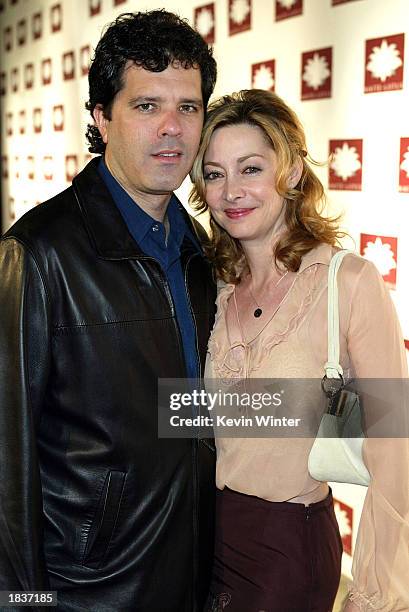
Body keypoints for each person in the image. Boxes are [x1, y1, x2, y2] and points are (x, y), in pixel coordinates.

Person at [0, 10, 217, 612]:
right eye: (147, 106)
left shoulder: (199, 249)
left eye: (189, 107)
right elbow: (7, 468)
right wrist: (26, 604)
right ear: (102, 116)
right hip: (88, 593)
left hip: (190, 575)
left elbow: (186, 413)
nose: (172, 129)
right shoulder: (37, 256)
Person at [190, 89, 409, 612]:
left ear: (289, 174)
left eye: (250, 168)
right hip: (199, 538)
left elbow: (395, 449)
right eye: (215, 174)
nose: (231, 192)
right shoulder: (211, 284)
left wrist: (375, 595)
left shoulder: (349, 282)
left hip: (286, 551)